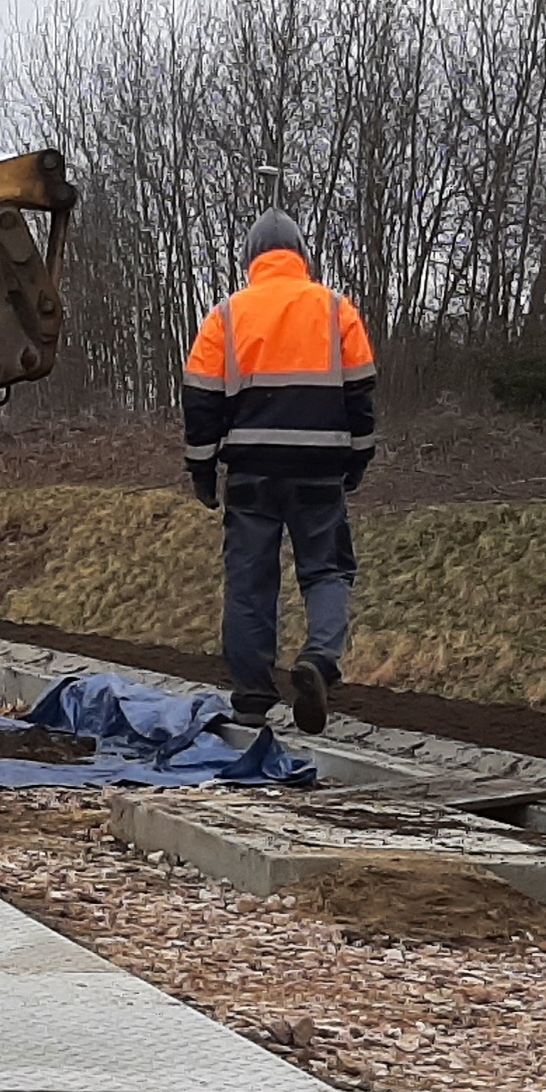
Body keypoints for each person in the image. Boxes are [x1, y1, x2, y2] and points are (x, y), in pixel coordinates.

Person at [184, 209, 377, 733]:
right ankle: (319, 659)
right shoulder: (336, 309)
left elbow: (200, 400)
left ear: (251, 260)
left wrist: (202, 468)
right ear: (302, 256)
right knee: (327, 569)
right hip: (320, 468)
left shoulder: (226, 316)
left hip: (251, 470)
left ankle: (251, 697)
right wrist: (358, 457)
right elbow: (361, 394)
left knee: (250, 580)